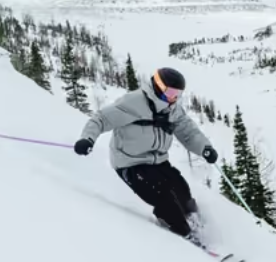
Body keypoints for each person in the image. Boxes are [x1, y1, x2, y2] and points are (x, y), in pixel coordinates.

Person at [73, 66, 219, 241]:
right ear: (158, 86)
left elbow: (188, 132)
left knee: (182, 190)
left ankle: (197, 226)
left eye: (178, 94)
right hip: (130, 163)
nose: (174, 98)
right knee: (163, 197)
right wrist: (87, 139)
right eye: (171, 92)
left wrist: (205, 148)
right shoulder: (133, 103)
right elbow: (101, 119)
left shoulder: (174, 110)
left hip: (158, 161)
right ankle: (183, 236)